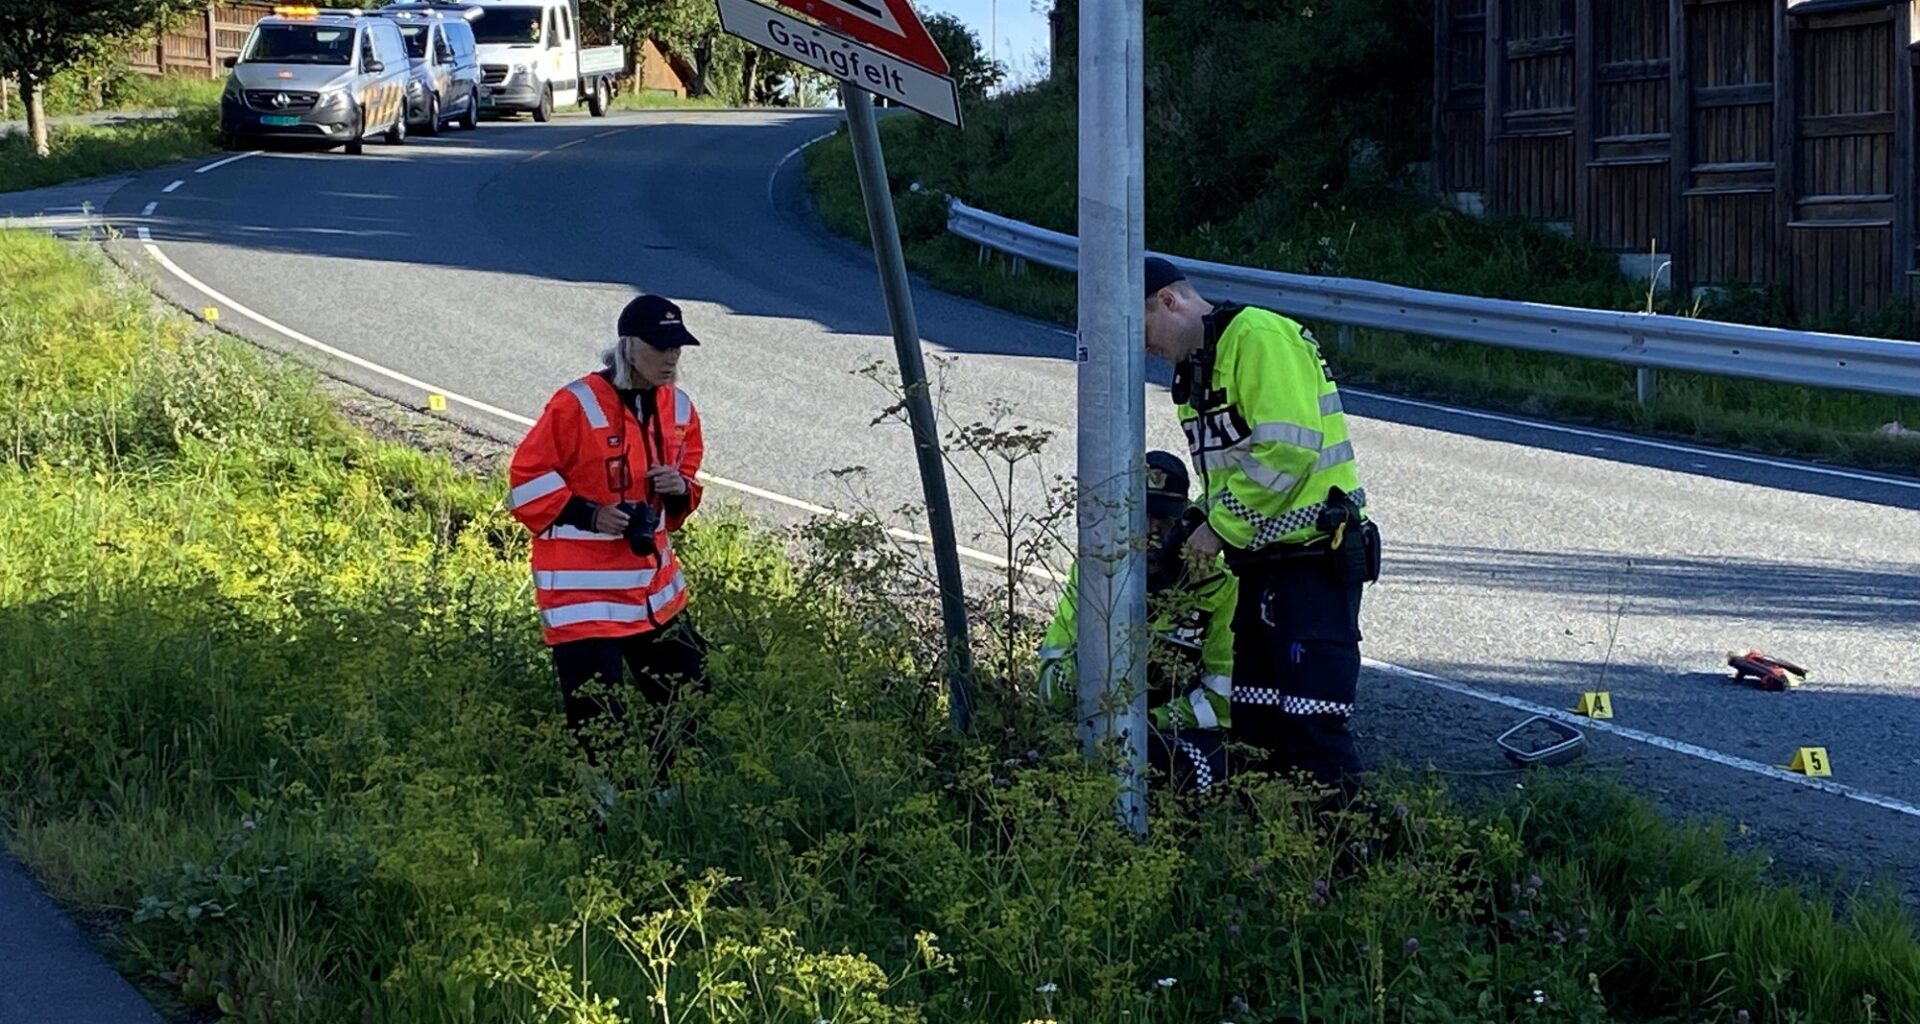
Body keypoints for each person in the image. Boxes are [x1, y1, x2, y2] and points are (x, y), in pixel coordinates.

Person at [1142, 256, 1381, 801]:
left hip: (1313, 563)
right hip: (1263, 569)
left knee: (1311, 731)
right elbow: (1235, 475)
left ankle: (1344, 862)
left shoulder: (1256, 337)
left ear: (1169, 301)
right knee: (1256, 731)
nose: (1145, 347)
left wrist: (1219, 527)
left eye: (1144, 329)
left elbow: (1288, 448)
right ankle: (1273, 860)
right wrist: (1198, 521)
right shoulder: (1197, 377)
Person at [507, 294, 708, 770]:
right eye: (659, 347)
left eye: (677, 347)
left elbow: (689, 486)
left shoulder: (679, 408)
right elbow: (525, 482)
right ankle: (603, 817)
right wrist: (590, 514)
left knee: (690, 701)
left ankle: (668, 799)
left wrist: (679, 488)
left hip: (654, 593)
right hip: (585, 599)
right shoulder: (575, 404)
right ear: (628, 346)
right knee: (599, 725)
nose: (671, 357)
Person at [1037, 451, 1239, 795]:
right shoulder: (1093, 575)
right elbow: (1050, 691)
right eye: (1137, 516)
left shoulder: (1218, 588)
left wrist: (1147, 723)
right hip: (1097, 727)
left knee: (1189, 771)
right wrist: (1098, 644)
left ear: (1184, 526)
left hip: (1175, 735)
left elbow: (1221, 703)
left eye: (1163, 519)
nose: (1149, 532)